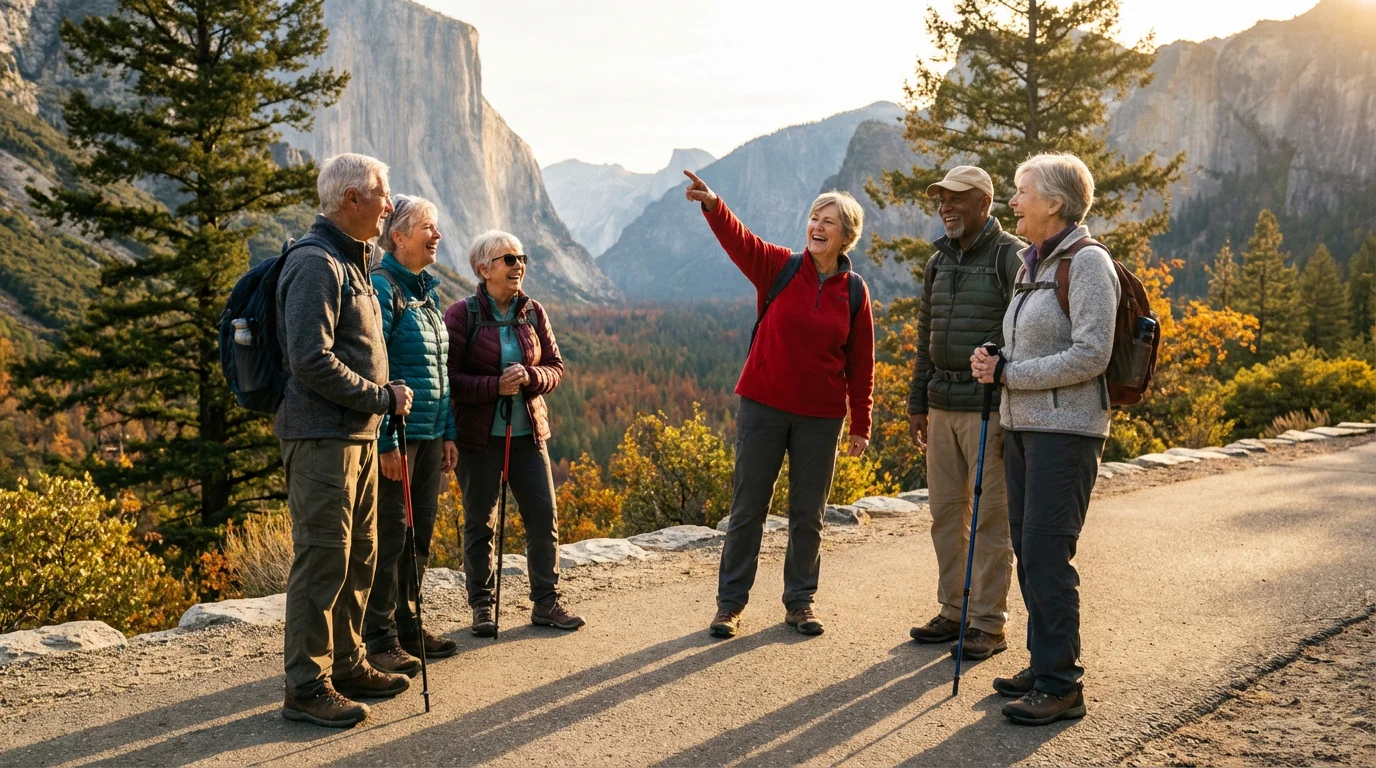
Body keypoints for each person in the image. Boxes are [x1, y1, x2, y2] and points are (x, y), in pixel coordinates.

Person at [683, 170, 875, 640]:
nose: (818, 226)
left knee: (809, 513)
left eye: (829, 221)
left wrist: (861, 423)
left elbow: (861, 362)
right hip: (764, 406)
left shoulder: (853, 291)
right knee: (748, 507)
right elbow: (740, 240)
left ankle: (800, 603)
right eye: (814, 217)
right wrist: (714, 204)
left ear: (846, 235)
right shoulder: (779, 266)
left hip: (821, 417)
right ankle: (730, 606)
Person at [971, 152, 1119, 726]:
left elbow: (1091, 353)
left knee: (1047, 556)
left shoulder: (1086, 264)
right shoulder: (1033, 264)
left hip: (1068, 432)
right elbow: (1035, 346)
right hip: (1027, 427)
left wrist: (1011, 375)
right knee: (1027, 554)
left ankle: (1062, 685)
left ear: (1054, 203)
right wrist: (999, 359)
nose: (1013, 202)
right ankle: (1044, 662)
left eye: (1021, 192)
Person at [276, 153, 413, 728]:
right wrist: (380, 397)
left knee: (359, 554)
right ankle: (306, 686)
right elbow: (310, 358)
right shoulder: (315, 264)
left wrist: (381, 398)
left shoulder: (352, 263)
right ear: (351, 198)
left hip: (354, 435)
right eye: (383, 194)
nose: (389, 205)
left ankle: (350, 663)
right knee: (324, 558)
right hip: (321, 439)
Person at [907, 166, 1023, 660]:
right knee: (946, 514)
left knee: (991, 518)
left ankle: (987, 624)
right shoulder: (938, 261)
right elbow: (925, 334)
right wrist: (917, 403)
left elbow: (1029, 328)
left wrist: (1003, 371)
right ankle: (953, 610)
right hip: (941, 402)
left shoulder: (1009, 255)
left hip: (988, 408)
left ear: (985, 202)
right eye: (941, 200)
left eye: (956, 199)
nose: (945, 207)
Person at [445, 230, 584, 636]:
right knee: (480, 523)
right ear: (483, 268)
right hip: (479, 438)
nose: (518, 265)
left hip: (528, 436)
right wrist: (494, 387)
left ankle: (546, 603)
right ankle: (483, 608)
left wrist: (530, 376)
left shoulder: (533, 312)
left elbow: (556, 367)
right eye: (509, 259)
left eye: (521, 257)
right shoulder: (462, 315)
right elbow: (449, 379)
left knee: (543, 518)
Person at [361, 194, 460, 676]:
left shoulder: (427, 291)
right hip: (398, 438)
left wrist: (449, 432)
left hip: (429, 433)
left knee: (418, 538)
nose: (437, 235)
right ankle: (379, 638)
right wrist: (386, 442)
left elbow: (441, 368)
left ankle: (408, 624)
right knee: (391, 538)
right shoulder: (383, 289)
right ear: (398, 236)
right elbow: (375, 369)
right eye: (427, 227)